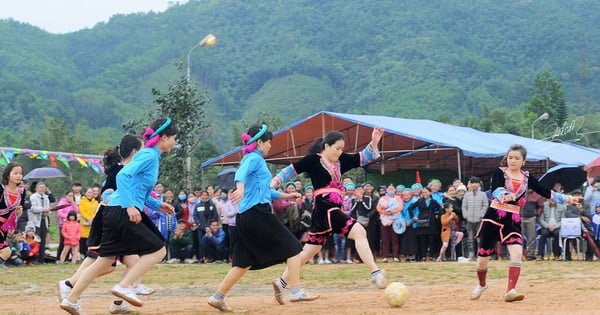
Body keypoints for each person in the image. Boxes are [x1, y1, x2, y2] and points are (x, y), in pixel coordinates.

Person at [60, 118, 177, 314]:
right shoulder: (148, 155)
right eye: (173, 138)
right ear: (163, 138)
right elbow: (123, 177)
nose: (174, 142)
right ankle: (125, 286)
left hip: (115, 210)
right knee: (159, 251)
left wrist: (158, 205)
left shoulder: (151, 156)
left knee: (104, 261)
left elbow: (139, 190)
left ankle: (71, 299)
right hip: (122, 211)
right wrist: (131, 206)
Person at [207, 124, 318, 312]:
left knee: (243, 262)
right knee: (293, 248)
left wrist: (285, 196)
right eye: (268, 143)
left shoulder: (252, 160)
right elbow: (240, 174)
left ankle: (218, 297)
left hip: (246, 217)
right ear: (259, 142)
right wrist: (240, 187)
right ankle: (296, 290)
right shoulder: (254, 158)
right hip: (258, 214)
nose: (270, 146)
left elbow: (265, 190)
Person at [271, 127, 388, 293]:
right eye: (337, 148)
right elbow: (291, 170)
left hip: (326, 211)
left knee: (309, 251)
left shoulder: (341, 161)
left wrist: (374, 141)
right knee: (360, 232)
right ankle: (376, 273)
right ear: (326, 146)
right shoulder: (313, 160)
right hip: (326, 208)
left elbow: (363, 157)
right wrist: (274, 182)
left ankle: (281, 282)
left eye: (341, 149)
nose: (339, 152)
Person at [470, 144, 577, 303]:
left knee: (517, 253)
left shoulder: (527, 178)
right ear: (507, 158)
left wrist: (566, 199)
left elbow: (544, 191)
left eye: (517, 158)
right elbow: (495, 189)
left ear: (523, 161)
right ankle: (482, 284)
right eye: (510, 157)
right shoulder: (500, 172)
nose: (513, 161)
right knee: (482, 259)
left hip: (512, 219)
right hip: (493, 217)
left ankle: (510, 290)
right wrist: (504, 194)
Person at [58, 134, 150, 314]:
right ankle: (70, 287)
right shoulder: (119, 171)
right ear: (134, 151)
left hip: (116, 218)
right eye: (142, 149)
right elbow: (107, 194)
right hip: (110, 219)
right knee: (102, 261)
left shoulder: (127, 169)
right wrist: (126, 205)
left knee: (123, 262)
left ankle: (118, 302)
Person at [0, 162, 27, 267]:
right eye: (15, 173)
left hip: (5, 227)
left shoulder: (22, 191)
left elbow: (17, 212)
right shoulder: (1, 189)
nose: (19, 176)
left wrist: (17, 213)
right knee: (6, 252)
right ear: (8, 175)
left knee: (6, 253)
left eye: (20, 173)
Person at [406, 187, 442, 261]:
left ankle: (431, 256)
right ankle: (423, 256)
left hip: (431, 221)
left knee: (431, 240)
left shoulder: (433, 201)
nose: (424, 194)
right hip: (422, 221)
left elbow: (440, 208)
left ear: (430, 193)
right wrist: (413, 217)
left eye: (426, 192)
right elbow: (410, 208)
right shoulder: (420, 201)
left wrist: (437, 215)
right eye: (423, 192)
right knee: (423, 240)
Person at [462, 176, 488, 261]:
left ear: (479, 184)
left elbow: (485, 205)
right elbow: (464, 206)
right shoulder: (467, 195)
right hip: (469, 220)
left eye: (476, 183)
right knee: (470, 239)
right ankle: (471, 255)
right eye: (472, 183)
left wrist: (481, 214)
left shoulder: (483, 194)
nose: (474, 184)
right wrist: (466, 215)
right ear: (470, 184)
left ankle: (480, 254)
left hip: (479, 220)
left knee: (480, 238)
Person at [376, 184, 402, 263]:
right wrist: (385, 212)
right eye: (389, 188)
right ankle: (385, 257)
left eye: (392, 188)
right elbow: (378, 208)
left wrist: (391, 212)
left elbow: (400, 207)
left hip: (395, 220)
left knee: (395, 239)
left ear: (395, 190)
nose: (391, 189)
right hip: (384, 220)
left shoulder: (397, 198)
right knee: (385, 239)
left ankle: (395, 257)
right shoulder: (382, 198)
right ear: (386, 190)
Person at [28, 181, 51, 264]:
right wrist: (43, 210)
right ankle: (34, 259)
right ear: (36, 188)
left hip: (44, 220)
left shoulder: (46, 197)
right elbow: (33, 208)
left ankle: (41, 259)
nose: (42, 189)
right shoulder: (33, 197)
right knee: (36, 240)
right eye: (40, 187)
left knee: (43, 240)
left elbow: (48, 208)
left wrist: (47, 212)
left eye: (43, 188)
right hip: (35, 221)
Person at [520, 189, 544, 261]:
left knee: (532, 238)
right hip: (521, 217)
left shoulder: (537, 195)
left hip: (531, 218)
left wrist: (537, 214)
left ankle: (531, 254)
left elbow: (541, 206)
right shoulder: (521, 194)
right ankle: (519, 254)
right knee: (519, 237)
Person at [56, 190, 79, 262]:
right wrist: (67, 217)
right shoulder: (62, 202)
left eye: (72, 196)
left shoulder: (73, 203)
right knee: (63, 242)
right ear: (66, 196)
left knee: (71, 243)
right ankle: (59, 258)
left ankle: (67, 259)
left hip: (73, 227)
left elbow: (76, 212)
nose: (70, 197)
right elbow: (60, 213)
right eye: (69, 195)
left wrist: (73, 204)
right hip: (64, 225)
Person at [78, 187, 99, 257]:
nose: (90, 194)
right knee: (83, 239)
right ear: (85, 193)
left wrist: (93, 218)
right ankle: (82, 254)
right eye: (88, 192)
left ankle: (89, 254)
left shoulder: (96, 202)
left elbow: (96, 211)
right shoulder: (82, 201)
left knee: (90, 239)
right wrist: (88, 218)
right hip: (84, 223)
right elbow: (82, 211)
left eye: (91, 192)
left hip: (92, 223)